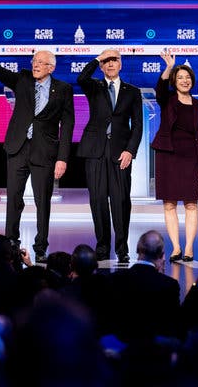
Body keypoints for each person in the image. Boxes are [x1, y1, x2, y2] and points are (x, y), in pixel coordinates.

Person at [0, 23, 75, 263]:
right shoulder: (22, 79)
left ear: (51, 67)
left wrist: (62, 157)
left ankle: (41, 246)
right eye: (34, 61)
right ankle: (12, 243)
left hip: (45, 152)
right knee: (14, 200)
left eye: (40, 62)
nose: (35, 65)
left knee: (43, 202)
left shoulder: (63, 89)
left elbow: (68, 124)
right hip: (17, 148)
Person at [77, 49, 143, 263]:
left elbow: (138, 125)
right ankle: (102, 247)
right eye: (106, 61)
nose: (110, 64)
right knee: (97, 200)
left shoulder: (132, 91)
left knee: (121, 200)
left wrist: (130, 151)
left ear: (121, 64)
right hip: (95, 150)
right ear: (102, 66)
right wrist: (97, 57)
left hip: (120, 153)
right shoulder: (94, 87)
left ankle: (122, 248)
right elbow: (81, 77)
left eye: (114, 60)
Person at [151, 51, 198, 262]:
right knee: (169, 204)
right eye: (180, 78)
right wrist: (169, 67)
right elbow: (160, 88)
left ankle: (189, 248)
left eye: (187, 78)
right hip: (168, 156)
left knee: (191, 204)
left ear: (192, 81)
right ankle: (176, 248)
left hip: (191, 158)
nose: (184, 81)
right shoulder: (167, 100)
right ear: (174, 82)